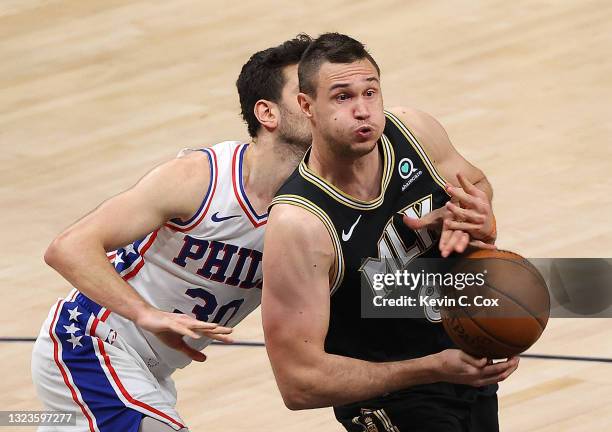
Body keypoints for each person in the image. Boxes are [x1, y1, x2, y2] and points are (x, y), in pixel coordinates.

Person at [31, 35, 313, 432]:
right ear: (267, 113)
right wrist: (145, 314)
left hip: (152, 374)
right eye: (306, 94)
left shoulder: (315, 205)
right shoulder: (201, 178)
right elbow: (68, 248)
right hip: (90, 344)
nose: (321, 105)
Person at [262, 32, 518, 432]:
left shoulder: (415, 132)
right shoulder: (299, 224)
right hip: (390, 403)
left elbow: (478, 185)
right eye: (343, 97)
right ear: (306, 105)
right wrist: (428, 369)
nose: (362, 110)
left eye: (370, 92)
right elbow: (298, 382)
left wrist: (479, 219)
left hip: (466, 369)